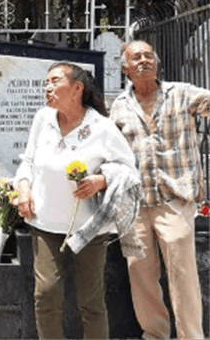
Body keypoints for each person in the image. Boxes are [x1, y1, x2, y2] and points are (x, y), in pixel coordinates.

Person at [11, 61, 140, 340]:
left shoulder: (102, 127)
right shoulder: (43, 118)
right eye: (46, 82)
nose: (47, 87)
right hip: (45, 223)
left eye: (54, 81)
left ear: (77, 88)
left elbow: (130, 169)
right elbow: (29, 161)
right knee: (45, 295)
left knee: (91, 301)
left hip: (89, 229)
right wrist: (23, 187)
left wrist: (101, 180)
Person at [110, 40, 209, 340]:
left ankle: (190, 336)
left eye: (148, 55)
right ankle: (154, 334)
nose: (143, 61)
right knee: (140, 273)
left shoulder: (182, 93)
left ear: (157, 62)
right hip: (134, 204)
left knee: (183, 275)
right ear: (125, 68)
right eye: (136, 57)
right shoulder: (118, 106)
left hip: (174, 200)